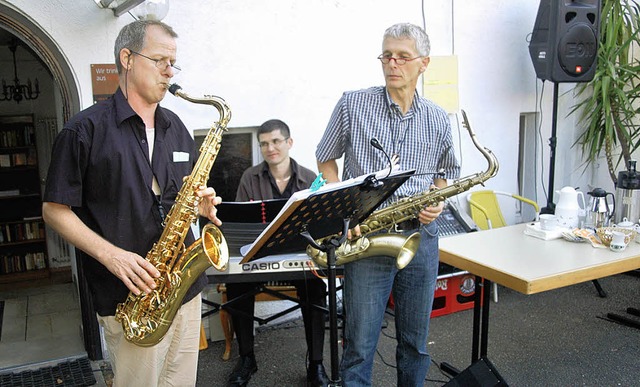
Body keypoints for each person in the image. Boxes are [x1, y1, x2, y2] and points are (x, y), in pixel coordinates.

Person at [42, 20, 222, 386]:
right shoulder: (83, 131)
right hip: (130, 300)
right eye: (160, 60)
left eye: (173, 62)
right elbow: (54, 210)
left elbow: (177, 197)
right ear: (127, 58)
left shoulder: (177, 128)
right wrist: (112, 255)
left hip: (183, 290)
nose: (170, 72)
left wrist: (200, 207)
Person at [315, 23, 460, 386]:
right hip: (367, 238)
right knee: (360, 346)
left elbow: (447, 171)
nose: (392, 63)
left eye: (402, 57)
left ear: (423, 63)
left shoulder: (439, 118)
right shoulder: (353, 103)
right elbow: (325, 159)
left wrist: (437, 201)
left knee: (414, 343)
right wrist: (346, 208)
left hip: (420, 239)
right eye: (386, 55)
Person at [226, 119, 329, 387]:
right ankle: (247, 357)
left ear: (289, 143)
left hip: (299, 257)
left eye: (275, 141)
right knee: (235, 285)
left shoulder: (309, 178)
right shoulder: (250, 177)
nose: (270, 148)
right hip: (259, 256)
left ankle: (316, 364)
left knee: (316, 288)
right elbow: (240, 222)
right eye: (264, 143)